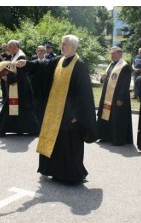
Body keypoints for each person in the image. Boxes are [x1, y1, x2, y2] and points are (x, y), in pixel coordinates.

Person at [19, 35, 97, 185]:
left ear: (73, 47)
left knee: (68, 144)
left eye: (65, 44)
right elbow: (43, 67)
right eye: (62, 44)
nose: (62, 46)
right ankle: (53, 170)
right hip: (54, 111)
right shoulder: (59, 60)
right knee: (55, 142)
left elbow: (85, 92)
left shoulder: (79, 64)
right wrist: (27, 64)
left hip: (70, 114)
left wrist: (77, 115)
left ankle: (71, 176)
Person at [0, 40, 39, 137]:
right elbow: (11, 69)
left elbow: (20, 74)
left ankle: (1, 130)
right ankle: (34, 129)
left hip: (20, 88)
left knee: (11, 108)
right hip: (18, 87)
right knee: (24, 110)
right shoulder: (14, 55)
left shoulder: (21, 57)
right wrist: (4, 74)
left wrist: (7, 77)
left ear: (15, 47)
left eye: (9, 47)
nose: (8, 49)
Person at [97, 46, 133, 146]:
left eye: (113, 54)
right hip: (108, 96)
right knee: (106, 116)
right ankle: (105, 136)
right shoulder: (111, 64)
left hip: (117, 96)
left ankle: (117, 139)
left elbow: (125, 84)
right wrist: (102, 78)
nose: (111, 55)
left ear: (120, 54)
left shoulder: (124, 66)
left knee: (117, 118)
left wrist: (120, 98)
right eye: (111, 54)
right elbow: (105, 78)